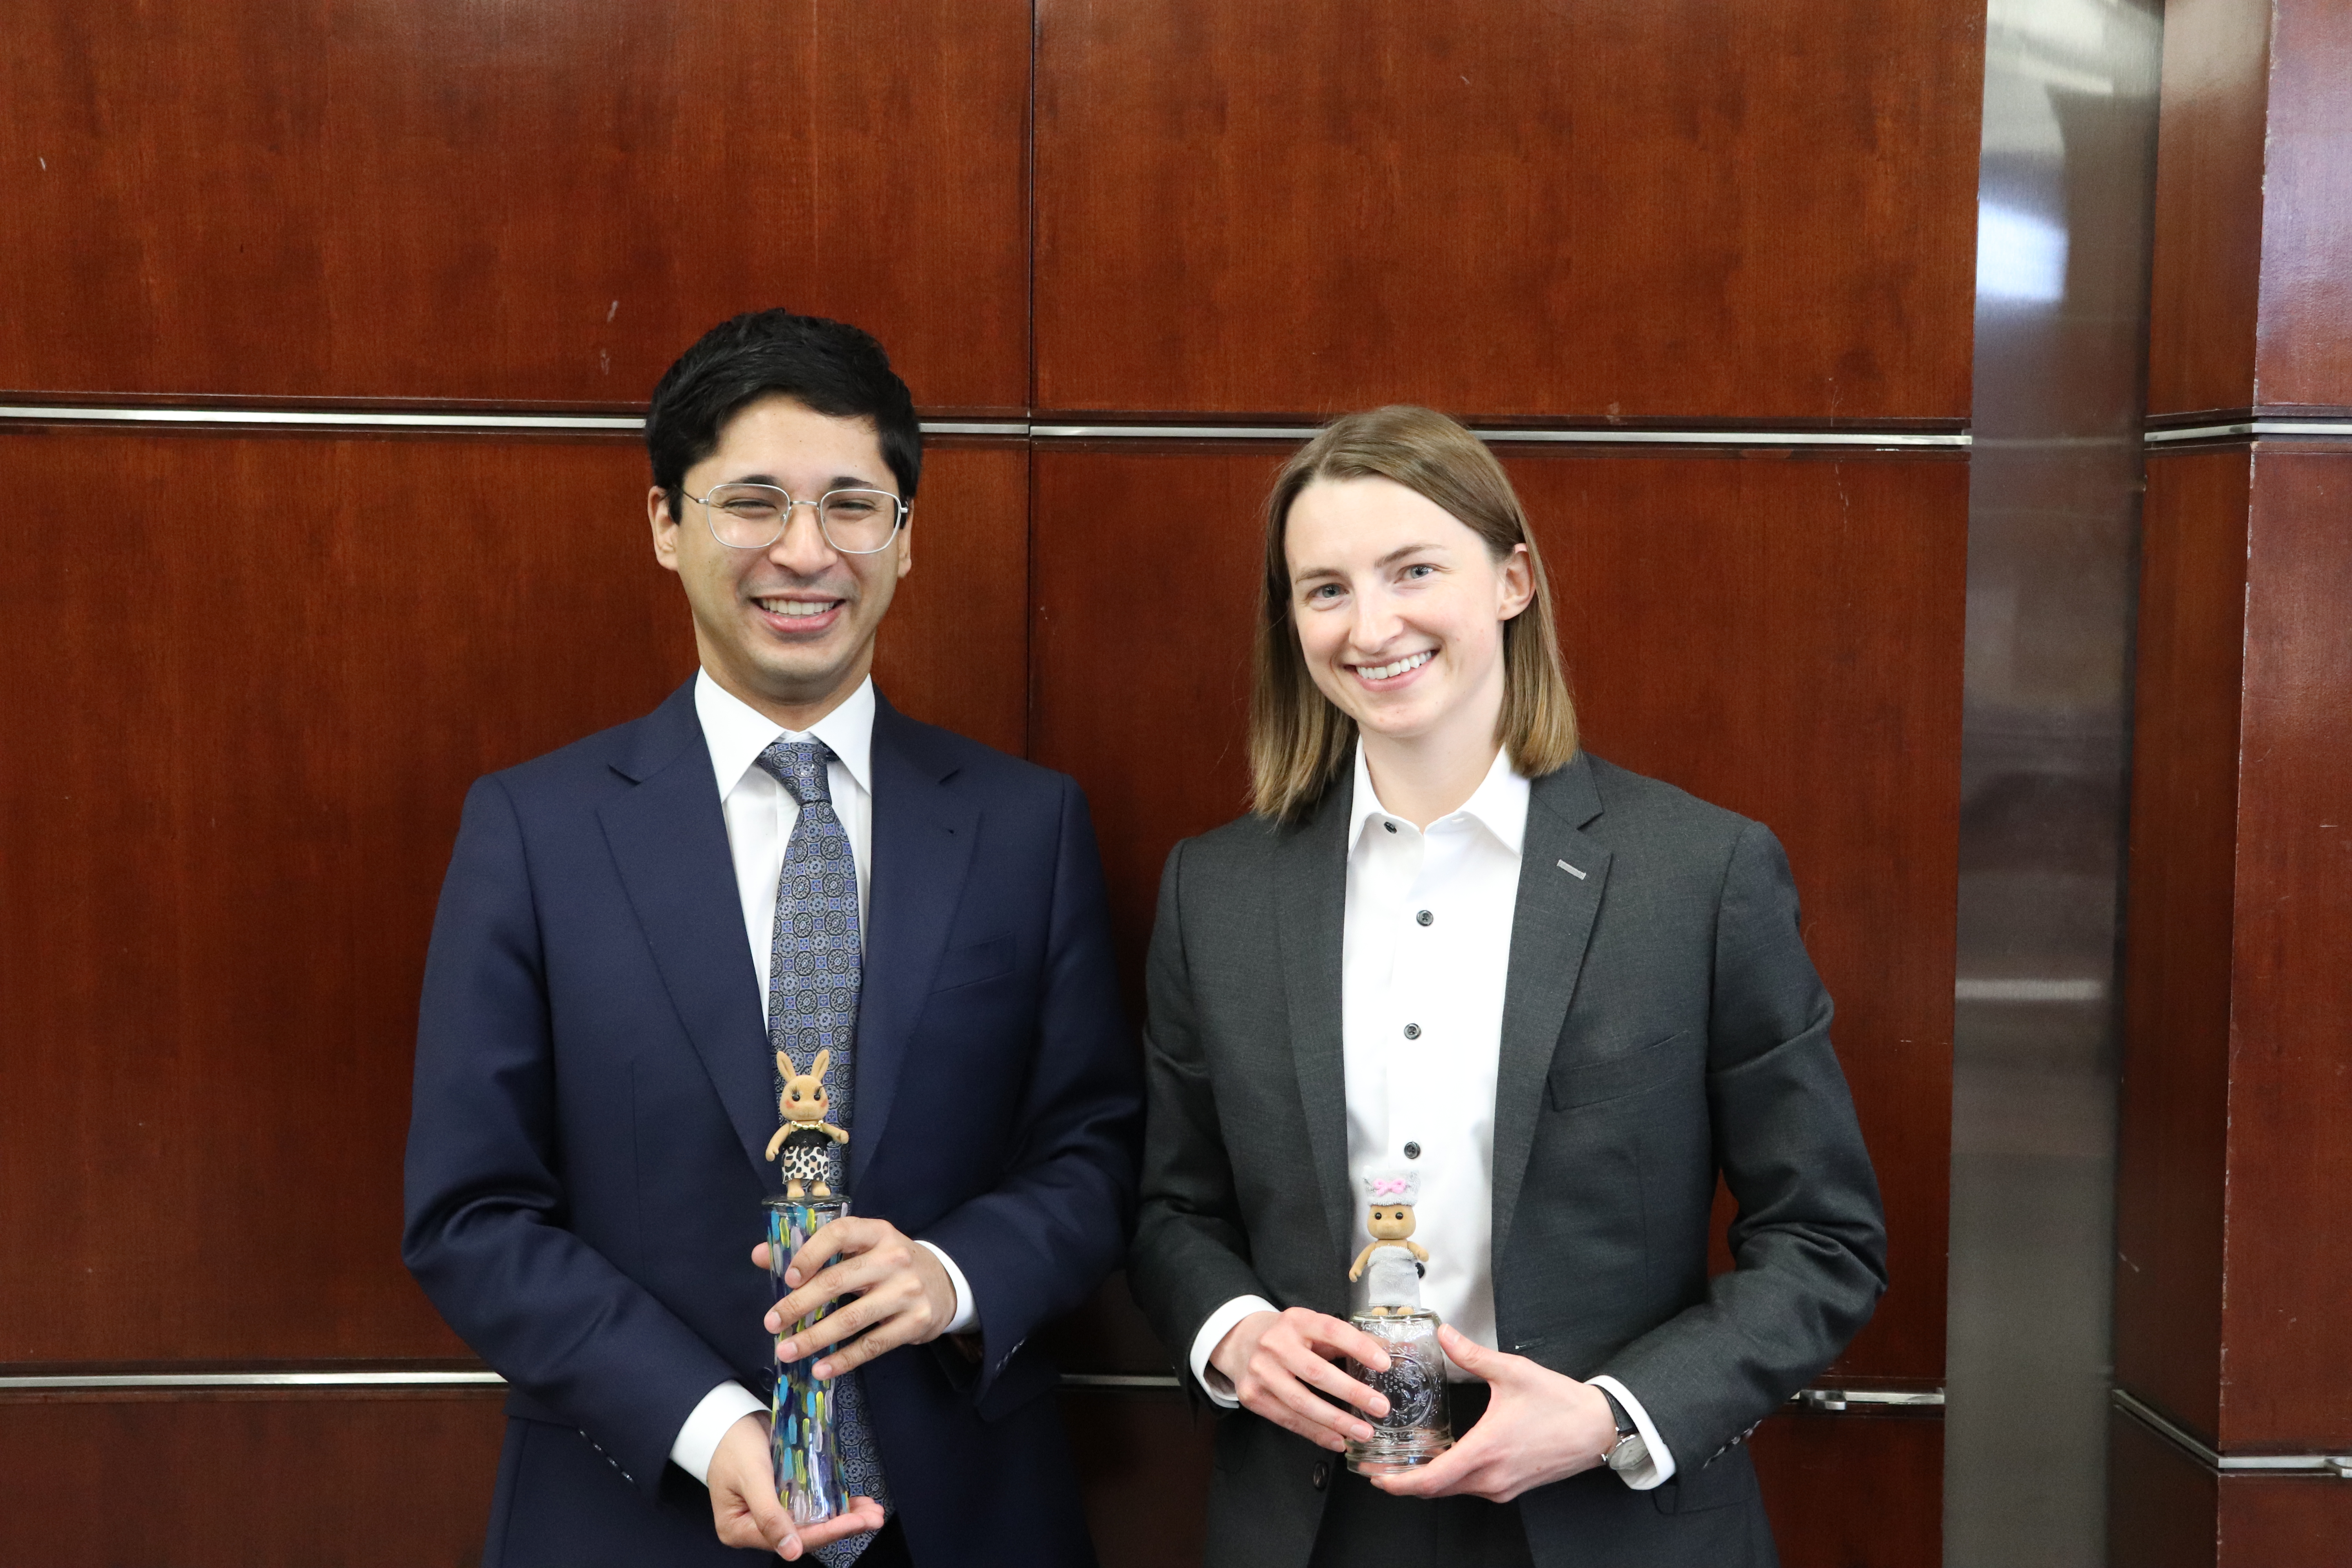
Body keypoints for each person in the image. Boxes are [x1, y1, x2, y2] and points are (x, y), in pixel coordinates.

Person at [404, 310, 1140, 1567]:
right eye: (753, 501)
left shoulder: (1029, 826)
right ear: (664, 525)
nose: (806, 551)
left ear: (903, 540)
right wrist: (705, 1421)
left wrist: (951, 1278)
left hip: (967, 1510)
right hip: (637, 1509)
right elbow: (472, 1214)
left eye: (853, 506)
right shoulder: (535, 829)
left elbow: (1094, 1150)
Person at [1129, 406, 1887, 1566]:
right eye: (1323, 589)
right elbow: (1173, 1208)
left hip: (1610, 1516)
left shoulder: (1701, 873)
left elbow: (1825, 1240)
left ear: (1513, 580)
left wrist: (1613, 1415)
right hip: (1312, 1523)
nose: (1370, 625)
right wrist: (1232, 1333)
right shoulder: (1215, 892)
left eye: (1413, 570)